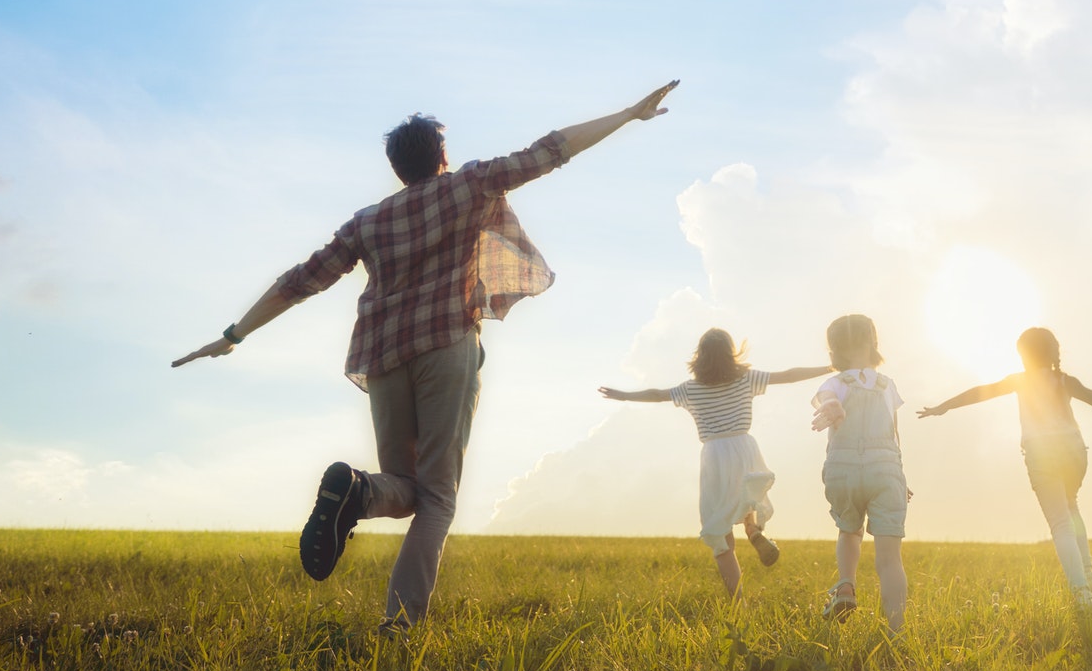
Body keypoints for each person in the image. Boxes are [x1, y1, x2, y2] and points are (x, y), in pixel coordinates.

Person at [172, 81, 680, 632]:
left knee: (403, 484)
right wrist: (629, 114)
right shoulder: (468, 184)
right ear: (441, 156)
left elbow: (300, 282)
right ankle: (400, 623)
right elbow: (551, 149)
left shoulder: (366, 222)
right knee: (438, 496)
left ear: (396, 168)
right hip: (447, 347)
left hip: (384, 355)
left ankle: (359, 492)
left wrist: (234, 333)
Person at [917, 327, 1092, 607]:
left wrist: (944, 406)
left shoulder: (1019, 381)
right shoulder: (1063, 379)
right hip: (1073, 451)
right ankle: (1090, 580)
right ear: (1053, 353)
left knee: (1060, 523)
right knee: (1071, 508)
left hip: (1042, 453)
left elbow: (980, 393)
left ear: (1022, 355)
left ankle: (1083, 595)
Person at [597, 329, 832, 596]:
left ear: (700, 357)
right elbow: (789, 375)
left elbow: (657, 394)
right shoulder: (746, 379)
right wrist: (828, 367)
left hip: (715, 454)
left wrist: (625, 395)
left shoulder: (690, 390)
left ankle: (738, 602)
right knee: (746, 491)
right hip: (745, 448)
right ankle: (753, 530)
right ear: (732, 354)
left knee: (719, 528)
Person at [810, 314, 909, 631]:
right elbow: (894, 434)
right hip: (885, 466)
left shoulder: (835, 383)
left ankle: (846, 585)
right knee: (890, 559)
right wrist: (898, 474)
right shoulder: (887, 385)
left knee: (849, 530)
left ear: (833, 352)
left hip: (844, 468)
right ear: (873, 343)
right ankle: (896, 632)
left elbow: (826, 397)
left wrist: (832, 406)